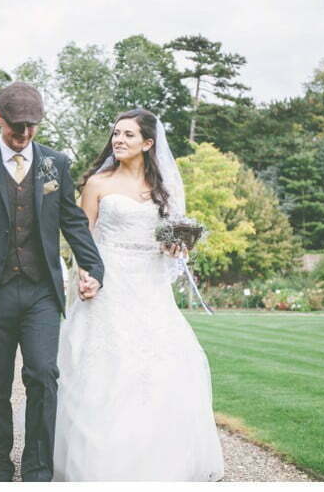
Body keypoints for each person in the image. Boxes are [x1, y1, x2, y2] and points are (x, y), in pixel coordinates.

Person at [52, 108, 225, 481]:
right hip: (108, 285)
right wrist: (86, 277)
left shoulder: (164, 190)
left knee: (157, 371)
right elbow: (83, 241)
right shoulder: (97, 185)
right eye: (116, 134)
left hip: (149, 289)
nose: (119, 140)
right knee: (104, 371)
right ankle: (98, 466)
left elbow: (170, 242)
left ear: (148, 143)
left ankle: (156, 464)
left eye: (129, 135)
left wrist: (176, 249)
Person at [0, 81, 104, 482]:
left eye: (32, 126)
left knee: (43, 375)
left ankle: (37, 471)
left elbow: (71, 219)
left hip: (40, 292)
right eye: (17, 126)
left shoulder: (55, 164)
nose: (25, 135)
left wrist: (94, 268)